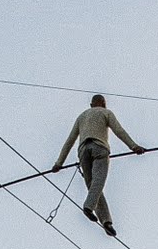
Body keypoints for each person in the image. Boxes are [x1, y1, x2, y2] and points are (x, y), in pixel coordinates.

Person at [53, 94, 145, 236]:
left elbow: (69, 141)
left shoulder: (82, 116)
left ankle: (106, 222)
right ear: (104, 104)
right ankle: (89, 206)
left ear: (91, 105)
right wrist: (133, 146)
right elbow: (119, 131)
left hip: (83, 152)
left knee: (93, 187)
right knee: (98, 181)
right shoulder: (106, 113)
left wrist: (59, 163)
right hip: (99, 148)